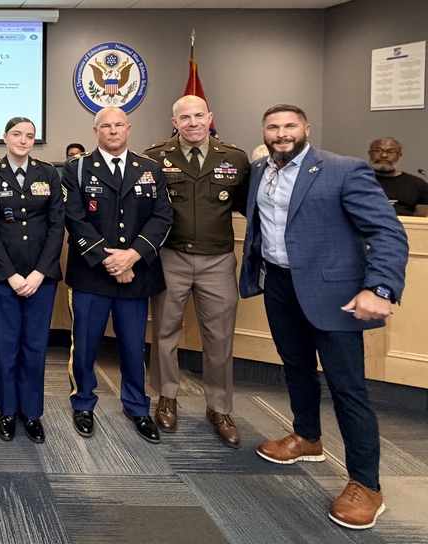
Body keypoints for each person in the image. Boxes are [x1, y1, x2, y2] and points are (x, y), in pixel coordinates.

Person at [241, 104, 407, 530]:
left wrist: (380, 287)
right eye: (273, 127)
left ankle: (366, 485)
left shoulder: (343, 169)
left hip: (334, 294)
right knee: (295, 367)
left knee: (348, 389)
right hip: (280, 286)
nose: (281, 133)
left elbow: (387, 231)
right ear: (264, 132)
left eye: (289, 126)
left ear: (306, 129)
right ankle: (307, 437)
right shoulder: (260, 170)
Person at [143, 95, 250, 448]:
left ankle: (219, 407)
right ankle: (167, 396)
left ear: (210, 117)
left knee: (219, 338)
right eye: (185, 117)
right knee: (165, 332)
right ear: (174, 123)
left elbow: (250, 206)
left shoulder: (234, 159)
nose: (193, 123)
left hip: (217, 259)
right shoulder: (155, 157)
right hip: (170, 256)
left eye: (199, 116)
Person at [62, 106, 172, 444]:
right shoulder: (77, 168)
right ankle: (83, 403)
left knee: (133, 346)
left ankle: (137, 406)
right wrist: (109, 260)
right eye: (105, 126)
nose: (112, 130)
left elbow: (163, 217)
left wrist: (132, 256)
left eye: (118, 125)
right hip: (91, 274)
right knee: (85, 346)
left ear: (129, 129)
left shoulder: (150, 168)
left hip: (136, 273)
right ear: (96, 131)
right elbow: (74, 217)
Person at [0, 117, 64, 443]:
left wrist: (40, 272)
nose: (23, 140)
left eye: (29, 136)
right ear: (5, 137)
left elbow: (57, 225)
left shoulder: (48, 173)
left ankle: (31, 412)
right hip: (3, 278)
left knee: (34, 347)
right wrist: (11, 275)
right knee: (6, 346)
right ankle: (6, 410)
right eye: (17, 134)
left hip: (42, 278)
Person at [367, 137, 428, 216]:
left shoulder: (417, 184)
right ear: (369, 154)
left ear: (399, 155)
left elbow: (423, 215)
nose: (384, 155)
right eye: (378, 151)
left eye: (390, 152)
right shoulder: (357, 180)